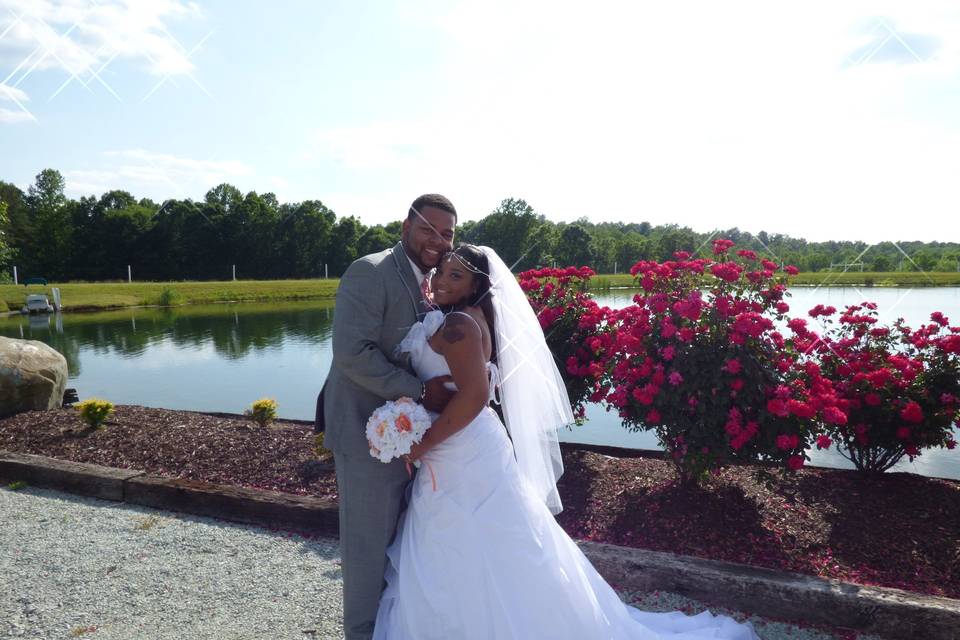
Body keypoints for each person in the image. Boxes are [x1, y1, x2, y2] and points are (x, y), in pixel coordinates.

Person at [372, 244, 761, 640]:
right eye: (440, 271)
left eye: (456, 275)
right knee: (484, 541)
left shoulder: (458, 327)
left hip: (461, 449)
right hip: (465, 446)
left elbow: (472, 397)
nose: (441, 280)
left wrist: (420, 444)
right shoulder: (463, 318)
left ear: (475, 286)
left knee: (475, 540)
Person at [322, 194, 459, 640]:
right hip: (366, 433)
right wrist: (419, 391)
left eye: (447, 233)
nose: (437, 240)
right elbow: (351, 354)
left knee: (403, 544)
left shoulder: (436, 279)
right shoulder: (371, 272)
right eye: (428, 229)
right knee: (367, 550)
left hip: (411, 435)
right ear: (406, 226)